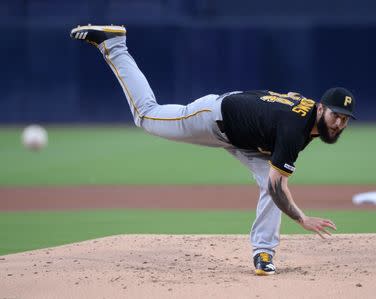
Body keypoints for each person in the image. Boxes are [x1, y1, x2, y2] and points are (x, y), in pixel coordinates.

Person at [70, 25, 356, 276]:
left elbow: (288, 101)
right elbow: (278, 185)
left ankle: (264, 253)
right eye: (335, 115)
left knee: (271, 184)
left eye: (344, 119)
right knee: (146, 115)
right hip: (213, 117)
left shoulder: (305, 118)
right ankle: (114, 44)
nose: (339, 123)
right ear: (320, 108)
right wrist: (302, 219)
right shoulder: (295, 131)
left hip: (244, 135)